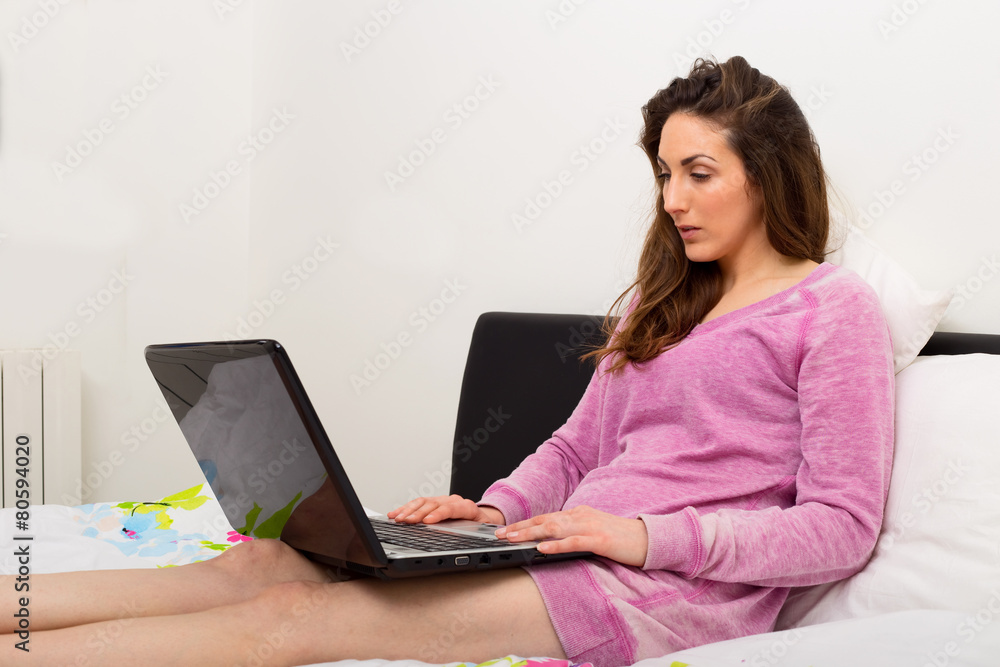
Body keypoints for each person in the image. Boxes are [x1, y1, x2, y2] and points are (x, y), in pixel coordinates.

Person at [0, 55, 894, 666]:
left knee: (295, 617)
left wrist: (641, 535)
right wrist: (489, 510)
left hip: (658, 589)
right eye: (664, 174)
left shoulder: (832, 308)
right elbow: (576, 453)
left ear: (770, 170)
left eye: (698, 172)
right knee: (255, 563)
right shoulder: (664, 303)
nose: (673, 200)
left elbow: (842, 525)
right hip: (557, 543)